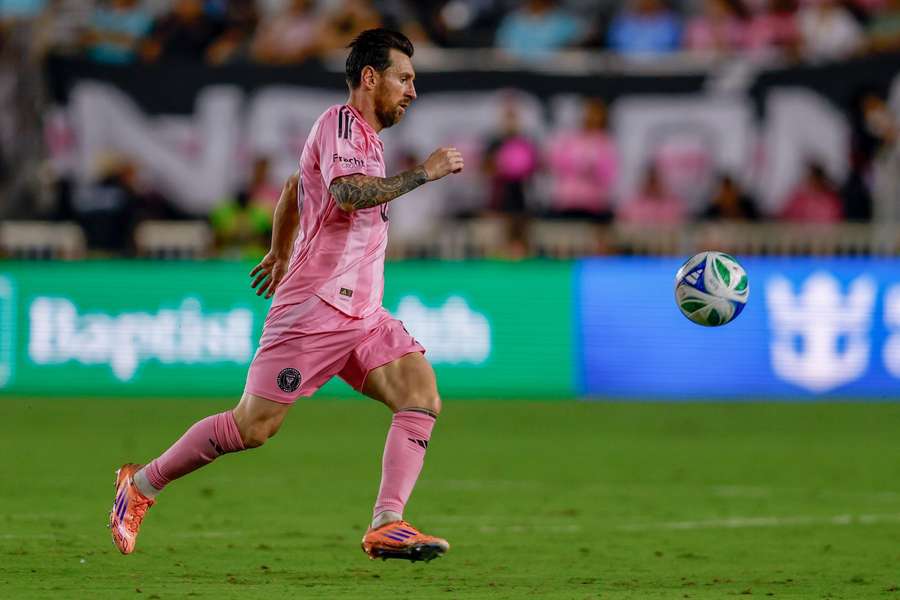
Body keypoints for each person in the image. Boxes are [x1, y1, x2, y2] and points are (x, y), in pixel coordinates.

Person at [109, 29, 465, 563]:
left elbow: (296, 188)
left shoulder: (365, 137)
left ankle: (388, 523)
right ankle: (140, 485)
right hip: (315, 307)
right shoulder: (341, 123)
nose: (412, 91)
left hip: (362, 314)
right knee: (251, 427)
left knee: (420, 395)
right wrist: (423, 174)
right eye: (405, 78)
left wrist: (278, 250)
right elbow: (347, 194)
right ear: (371, 78)